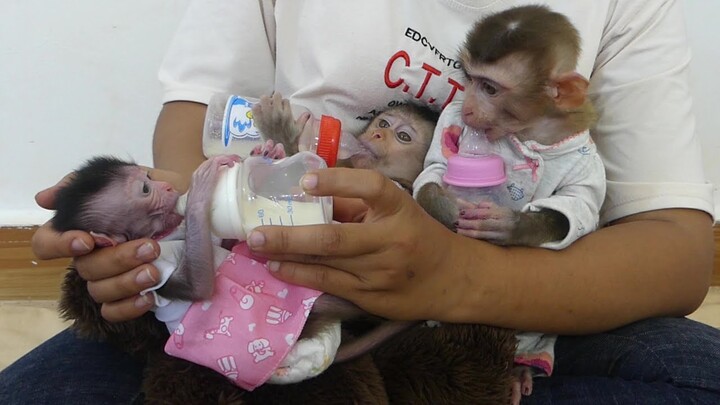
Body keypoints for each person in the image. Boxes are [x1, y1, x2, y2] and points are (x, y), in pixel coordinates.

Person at [3, 0, 719, 403]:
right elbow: (200, 127)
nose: (469, 110)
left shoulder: (614, 27)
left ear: (562, 95)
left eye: (491, 91)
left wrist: (458, 276)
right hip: (271, 291)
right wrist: (151, 236)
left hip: (511, 310)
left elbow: (678, 249)